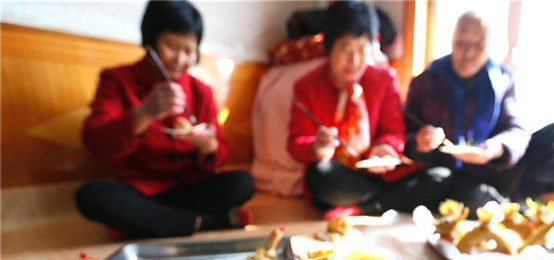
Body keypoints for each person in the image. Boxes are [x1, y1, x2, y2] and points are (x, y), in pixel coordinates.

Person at [75, 0, 255, 239]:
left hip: (191, 188)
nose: (180, 59)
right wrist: (143, 113)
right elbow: (94, 143)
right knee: (91, 196)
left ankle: (152, 222)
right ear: (150, 42)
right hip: (142, 190)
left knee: (242, 183)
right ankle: (203, 222)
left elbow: (220, 154)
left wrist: (209, 147)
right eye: (171, 45)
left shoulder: (201, 91)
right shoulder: (117, 80)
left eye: (189, 50)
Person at [287, 1, 451, 219]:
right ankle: (386, 201)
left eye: (362, 49)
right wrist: (316, 149)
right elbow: (295, 142)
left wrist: (384, 149)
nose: (354, 61)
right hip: (342, 174)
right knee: (319, 176)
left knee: (441, 177)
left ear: (372, 46)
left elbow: (394, 129)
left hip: (383, 173)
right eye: (345, 48)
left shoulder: (383, 78)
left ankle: (361, 207)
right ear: (328, 46)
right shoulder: (307, 85)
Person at [403, 11, 554, 216]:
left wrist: (495, 148)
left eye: (479, 45)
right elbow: (405, 134)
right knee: (456, 194)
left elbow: (516, 129)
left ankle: (524, 199)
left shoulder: (503, 78)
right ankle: (509, 207)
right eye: (461, 43)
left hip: (493, 165)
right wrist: (420, 141)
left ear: (490, 46)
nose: (468, 53)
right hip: (452, 173)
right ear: (452, 41)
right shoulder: (425, 81)